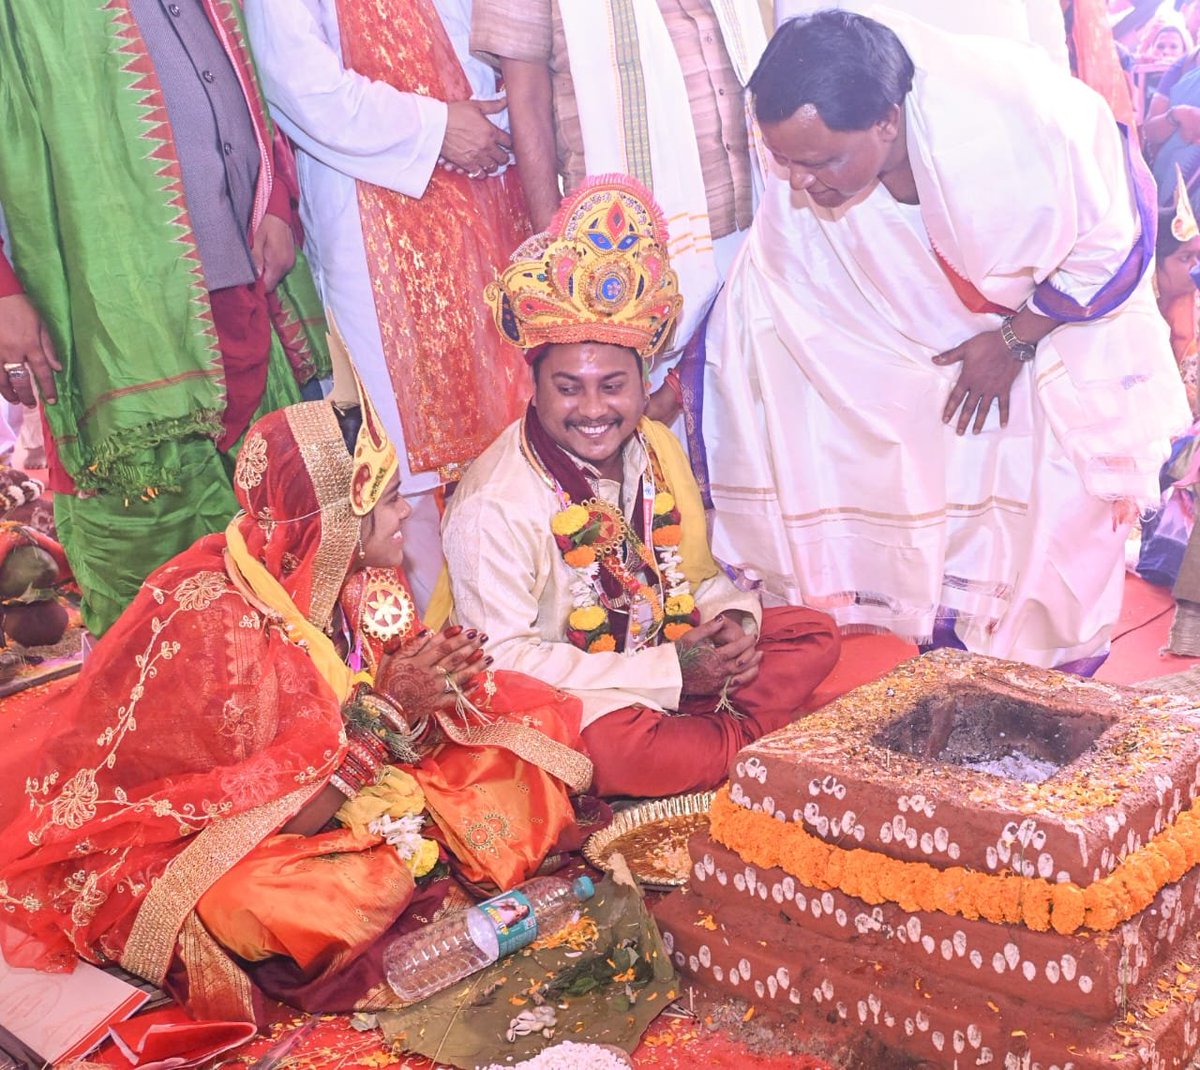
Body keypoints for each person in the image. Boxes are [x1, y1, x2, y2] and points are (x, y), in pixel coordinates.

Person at [0, 331, 591, 1024]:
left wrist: (435, 684)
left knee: (523, 725)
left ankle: (416, 866)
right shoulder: (213, 624)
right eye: (391, 501)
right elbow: (273, 815)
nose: (405, 515)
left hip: (355, 784)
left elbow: (395, 699)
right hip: (233, 833)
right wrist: (388, 713)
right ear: (337, 522)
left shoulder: (357, 578)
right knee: (276, 900)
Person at [699, 11, 1189, 673]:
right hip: (916, 342)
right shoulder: (812, 171)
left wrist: (1014, 340)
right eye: (781, 159)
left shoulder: (1020, 120)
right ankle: (927, 657)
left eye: (818, 161)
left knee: (1045, 509)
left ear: (887, 121)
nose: (796, 183)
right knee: (870, 444)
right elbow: (788, 287)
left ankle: (1037, 690)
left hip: (1060, 320)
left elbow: (1111, 240)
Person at [435, 177, 841, 798]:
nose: (594, 410)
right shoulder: (495, 505)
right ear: (534, 387)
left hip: (666, 648)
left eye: (614, 386)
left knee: (811, 633)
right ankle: (763, 743)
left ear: (642, 381)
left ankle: (728, 738)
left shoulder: (653, 444)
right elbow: (504, 663)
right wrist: (669, 674)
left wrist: (731, 624)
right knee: (615, 751)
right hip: (580, 696)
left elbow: (693, 576)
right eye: (569, 388)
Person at [0, 2, 329, 637]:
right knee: (153, 573)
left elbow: (253, 88)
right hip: (114, 324)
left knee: (283, 541)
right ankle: (158, 720)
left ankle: (295, 720)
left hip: (248, 295)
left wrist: (279, 204)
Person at [244, 0, 532, 608]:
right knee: (404, 453)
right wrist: (435, 127)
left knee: (514, 417)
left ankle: (527, 614)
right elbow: (299, 84)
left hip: (498, 202)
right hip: (376, 210)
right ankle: (447, 647)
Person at [470, 0, 769, 382]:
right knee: (643, 415)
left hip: (750, 220)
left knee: (747, 414)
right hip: (622, 258)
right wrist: (557, 258)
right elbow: (526, 99)